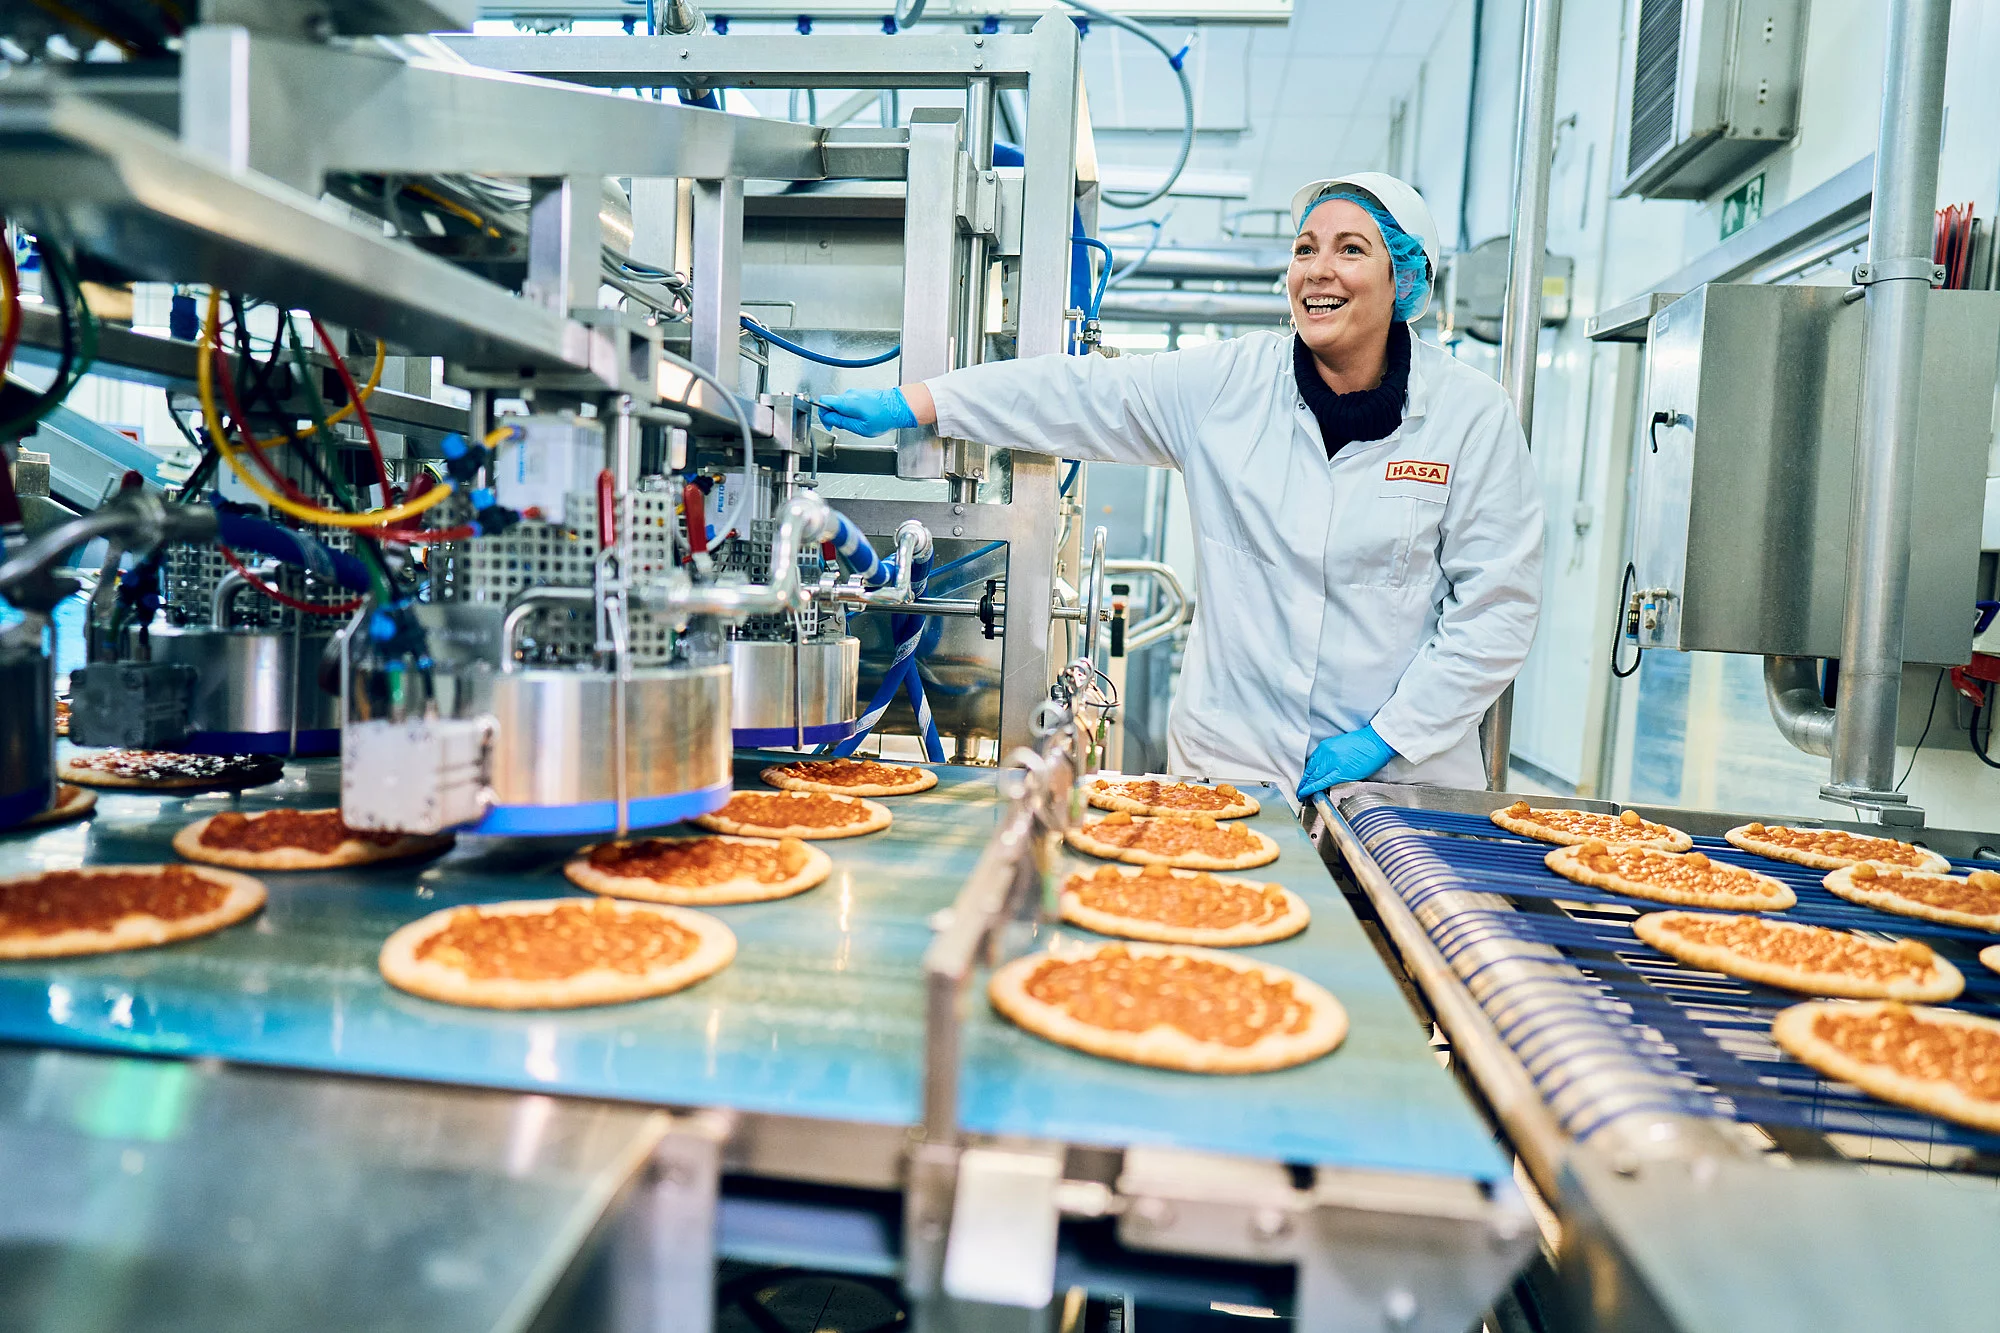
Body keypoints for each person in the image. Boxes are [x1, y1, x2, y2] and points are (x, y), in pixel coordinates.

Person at [818, 172, 1543, 801]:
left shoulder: (1469, 416)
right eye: (1304, 249)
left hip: (1401, 784)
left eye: (1351, 249)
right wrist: (925, 401)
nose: (1318, 270)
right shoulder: (1226, 384)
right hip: (1235, 769)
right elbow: (1077, 393)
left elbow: (1496, 609)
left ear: (1403, 278)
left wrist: (1388, 735)